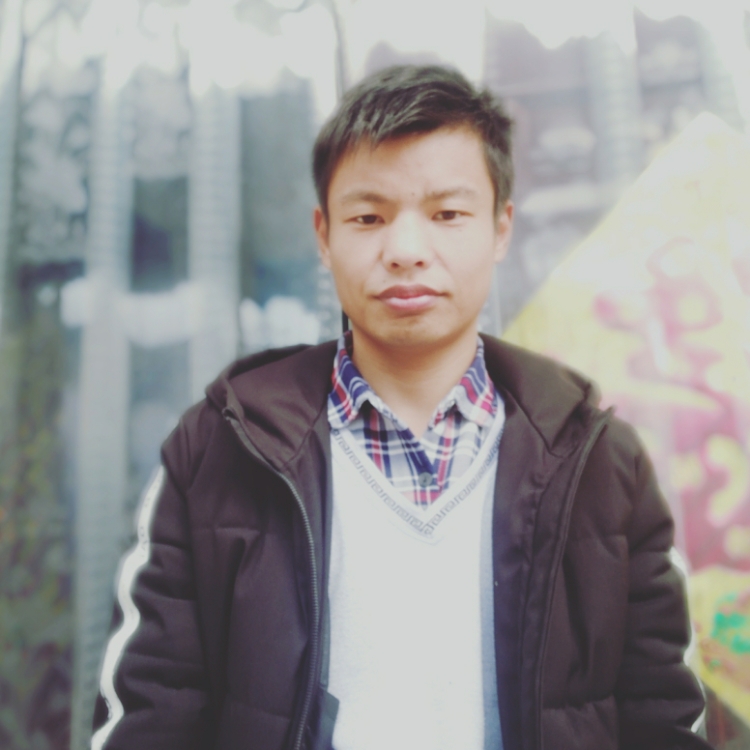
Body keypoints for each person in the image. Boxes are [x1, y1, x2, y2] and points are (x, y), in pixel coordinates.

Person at [91, 65, 711, 750]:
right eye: (368, 217)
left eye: (447, 214)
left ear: (500, 229)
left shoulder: (597, 457)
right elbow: (153, 712)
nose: (407, 251)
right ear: (324, 234)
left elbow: (662, 715)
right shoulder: (222, 446)